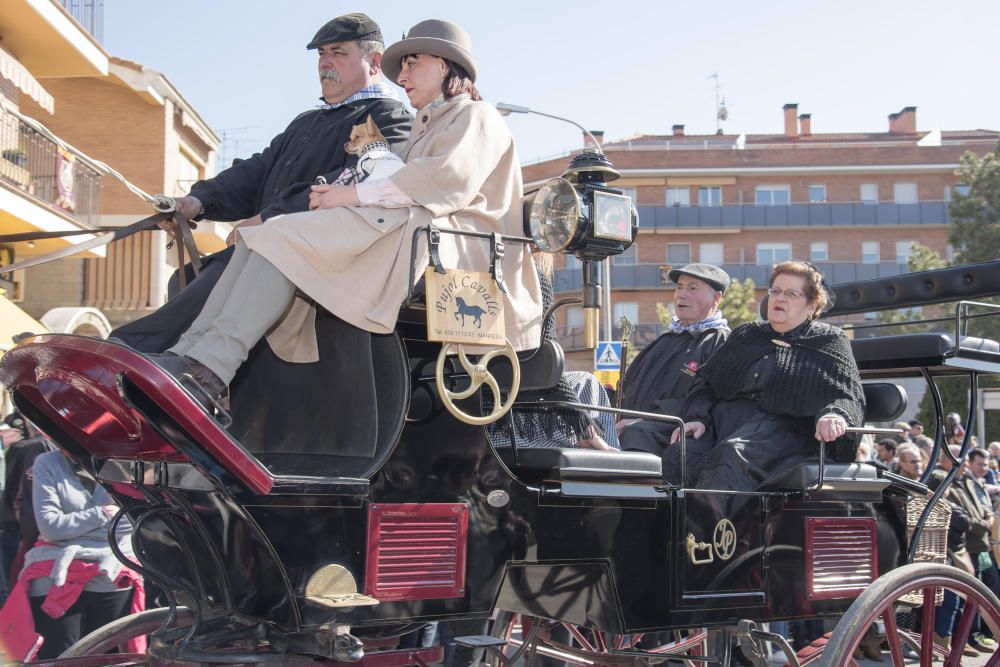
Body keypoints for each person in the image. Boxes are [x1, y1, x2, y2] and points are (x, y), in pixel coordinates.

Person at [149, 19, 542, 408]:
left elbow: (440, 183)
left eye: (412, 63)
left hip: (454, 249)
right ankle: (190, 354)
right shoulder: (426, 125)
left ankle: (212, 369)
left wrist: (348, 195)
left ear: (443, 65)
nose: (402, 75)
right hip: (414, 232)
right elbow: (397, 183)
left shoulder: (478, 116)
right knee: (262, 236)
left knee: (285, 237)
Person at [111, 12, 413, 352]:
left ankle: (127, 352)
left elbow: (353, 180)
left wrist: (269, 220)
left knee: (215, 277)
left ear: (373, 60)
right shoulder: (308, 122)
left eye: (338, 53)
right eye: (321, 55)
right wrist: (198, 201)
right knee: (186, 278)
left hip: (320, 262)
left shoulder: (384, 116)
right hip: (272, 248)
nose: (325, 63)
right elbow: (257, 171)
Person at [669, 260, 865, 491]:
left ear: (812, 306)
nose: (780, 298)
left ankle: (720, 527)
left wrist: (835, 415)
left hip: (785, 431)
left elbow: (847, 393)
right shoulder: (747, 334)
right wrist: (697, 417)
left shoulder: (829, 340)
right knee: (678, 454)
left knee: (731, 456)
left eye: (791, 294)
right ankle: (671, 527)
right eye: (776, 291)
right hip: (727, 424)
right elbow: (706, 381)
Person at [0, 450, 143, 659]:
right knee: (59, 658)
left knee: (110, 658)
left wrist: (72, 527)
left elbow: (127, 524)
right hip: (55, 572)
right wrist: (102, 514)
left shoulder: (125, 461)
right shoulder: (46, 462)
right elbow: (50, 526)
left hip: (111, 571)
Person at [616, 264, 731, 456]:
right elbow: (628, 387)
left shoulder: (719, 342)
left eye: (692, 288)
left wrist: (644, 420)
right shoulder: (664, 340)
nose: (681, 295)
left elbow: (705, 399)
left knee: (636, 434)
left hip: (674, 431)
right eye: (679, 287)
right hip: (630, 426)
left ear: (716, 298)